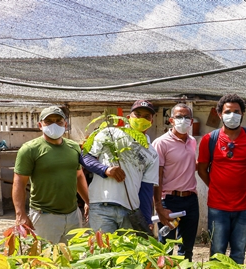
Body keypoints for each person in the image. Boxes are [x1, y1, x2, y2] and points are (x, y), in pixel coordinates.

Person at [197, 94, 246, 264]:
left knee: (239, 253)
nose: (232, 115)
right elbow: (201, 169)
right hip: (218, 207)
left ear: (243, 114)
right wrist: (215, 185)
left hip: (245, 206)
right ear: (220, 114)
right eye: (228, 111)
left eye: (236, 111)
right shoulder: (209, 139)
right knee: (217, 252)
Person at [12, 106, 90, 243]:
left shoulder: (74, 147)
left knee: (74, 259)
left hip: (73, 215)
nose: (54, 124)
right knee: (43, 260)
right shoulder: (30, 149)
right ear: (40, 125)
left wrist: (88, 202)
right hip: (45, 217)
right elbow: (19, 182)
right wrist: (20, 214)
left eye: (58, 121)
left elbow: (78, 176)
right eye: (48, 121)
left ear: (65, 124)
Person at [86, 100, 159, 233]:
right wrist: (105, 170)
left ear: (151, 122)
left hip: (131, 212)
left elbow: (146, 189)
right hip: (102, 207)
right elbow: (86, 157)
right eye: (138, 114)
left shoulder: (152, 153)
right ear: (128, 118)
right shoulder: (110, 134)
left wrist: (146, 219)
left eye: (146, 117)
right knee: (103, 250)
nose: (141, 119)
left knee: (127, 252)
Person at [152, 103, 199, 261]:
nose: (183, 120)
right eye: (179, 117)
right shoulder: (161, 143)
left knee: (187, 249)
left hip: (191, 200)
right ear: (171, 120)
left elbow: (190, 165)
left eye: (187, 117)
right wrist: (158, 206)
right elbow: (156, 177)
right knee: (166, 246)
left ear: (191, 122)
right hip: (170, 201)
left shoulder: (192, 142)